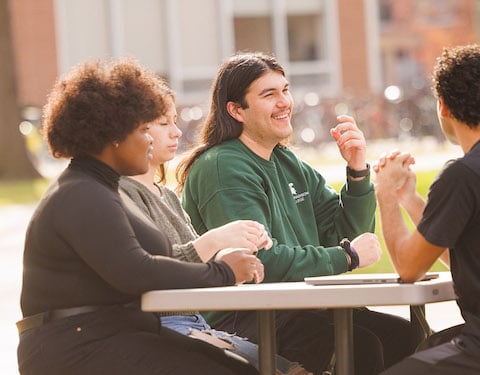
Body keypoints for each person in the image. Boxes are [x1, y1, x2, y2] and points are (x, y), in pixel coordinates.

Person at [176, 52, 423, 374]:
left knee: (402, 335)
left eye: (285, 90)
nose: (284, 103)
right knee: (361, 345)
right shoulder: (223, 166)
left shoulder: (288, 161)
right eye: (269, 95)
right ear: (236, 110)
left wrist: (357, 170)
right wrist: (345, 257)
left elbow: (345, 235)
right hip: (244, 315)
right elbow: (259, 263)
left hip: (298, 307)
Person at [16, 58, 264, 375]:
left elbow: (156, 261)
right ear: (114, 134)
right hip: (75, 348)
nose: (149, 139)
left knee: (247, 366)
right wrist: (222, 272)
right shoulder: (80, 194)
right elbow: (137, 271)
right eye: (142, 129)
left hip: (114, 334)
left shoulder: (105, 190)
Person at [119, 81, 310, 375]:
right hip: (166, 328)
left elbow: (200, 265)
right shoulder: (121, 194)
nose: (177, 131)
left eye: (174, 121)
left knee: (295, 370)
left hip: (196, 323)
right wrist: (218, 240)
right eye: (162, 123)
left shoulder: (166, 195)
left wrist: (237, 251)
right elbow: (153, 268)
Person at [374, 44, 480, 374]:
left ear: (443, 105)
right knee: (428, 345)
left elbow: (409, 268)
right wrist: (409, 198)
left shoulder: (463, 174)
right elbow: (464, 250)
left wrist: (385, 194)